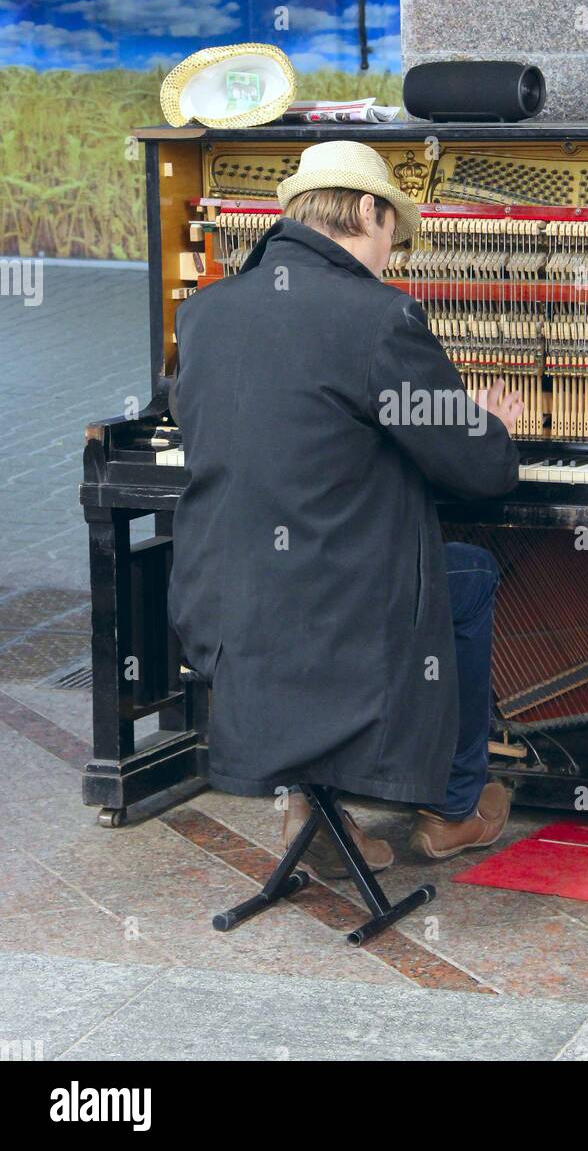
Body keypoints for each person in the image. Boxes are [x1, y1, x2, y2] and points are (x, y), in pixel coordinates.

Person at [168, 139, 524, 877]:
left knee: (334, 571)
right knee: (470, 573)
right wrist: (491, 428)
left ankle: (311, 804)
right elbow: (481, 471)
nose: (391, 254)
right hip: (338, 611)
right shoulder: (378, 317)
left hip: (220, 595)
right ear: (368, 209)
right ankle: (454, 808)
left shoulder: (205, 313)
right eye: (393, 230)